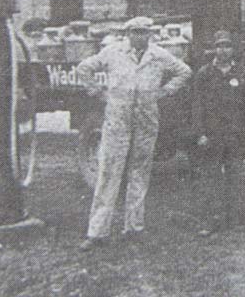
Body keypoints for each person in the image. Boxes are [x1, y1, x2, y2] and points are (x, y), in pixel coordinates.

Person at [76, 16, 192, 250]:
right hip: (117, 119)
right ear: (127, 33)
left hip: (146, 120)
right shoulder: (113, 52)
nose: (140, 36)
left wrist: (166, 91)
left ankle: (134, 228)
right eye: (136, 32)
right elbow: (84, 68)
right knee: (109, 173)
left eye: (145, 32)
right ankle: (97, 233)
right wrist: (97, 91)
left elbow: (184, 71)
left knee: (139, 173)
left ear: (150, 34)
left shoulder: (159, 55)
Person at [191, 30, 245, 235]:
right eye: (219, 46)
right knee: (211, 178)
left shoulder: (241, 72)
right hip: (212, 134)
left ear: (233, 49)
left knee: (235, 177)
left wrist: (244, 131)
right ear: (214, 49)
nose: (223, 50)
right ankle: (209, 221)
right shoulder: (205, 74)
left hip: (234, 134)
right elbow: (197, 106)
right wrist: (200, 134)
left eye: (227, 46)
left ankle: (235, 220)